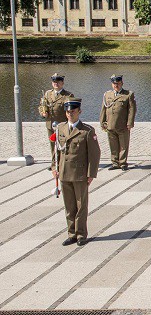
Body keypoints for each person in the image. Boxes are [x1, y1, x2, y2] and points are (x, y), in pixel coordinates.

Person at [52, 99, 101, 246]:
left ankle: (81, 234)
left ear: (79, 111)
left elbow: (94, 153)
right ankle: (71, 233)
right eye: (68, 112)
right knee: (69, 205)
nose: (70, 114)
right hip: (64, 173)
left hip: (80, 173)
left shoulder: (87, 130)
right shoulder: (60, 128)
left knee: (81, 206)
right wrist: (54, 167)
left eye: (73, 111)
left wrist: (91, 173)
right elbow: (56, 150)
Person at [99, 74, 136, 171]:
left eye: (118, 83)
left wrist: (130, 122)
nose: (116, 85)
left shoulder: (128, 94)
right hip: (110, 125)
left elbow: (132, 109)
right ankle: (115, 162)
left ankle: (123, 163)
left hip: (122, 125)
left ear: (122, 83)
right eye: (114, 84)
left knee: (123, 145)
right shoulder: (107, 95)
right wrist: (102, 122)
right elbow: (103, 109)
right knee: (113, 145)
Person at [40, 73, 74, 169]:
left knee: (62, 144)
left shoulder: (68, 95)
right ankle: (54, 163)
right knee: (52, 144)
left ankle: (63, 162)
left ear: (62, 83)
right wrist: (43, 113)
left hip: (62, 124)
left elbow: (71, 110)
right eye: (54, 82)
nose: (56, 84)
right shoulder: (47, 94)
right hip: (50, 123)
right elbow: (42, 106)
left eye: (58, 82)